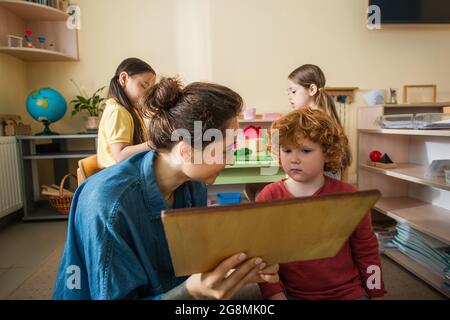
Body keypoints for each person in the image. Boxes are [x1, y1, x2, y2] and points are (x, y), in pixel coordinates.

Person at [53, 77, 279, 300]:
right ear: (186, 151)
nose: (229, 160)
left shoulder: (192, 182)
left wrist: (238, 269)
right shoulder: (109, 205)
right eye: (225, 151)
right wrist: (190, 292)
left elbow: (189, 258)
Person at [257, 108, 385, 300]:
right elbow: (262, 256)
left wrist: (375, 293)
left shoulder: (349, 197)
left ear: (327, 153)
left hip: (348, 292)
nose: (294, 158)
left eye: (305, 150)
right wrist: (275, 295)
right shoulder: (269, 196)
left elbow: (367, 250)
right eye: (287, 150)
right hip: (293, 295)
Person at [286, 64, 351, 175]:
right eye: (288, 92)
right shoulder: (321, 117)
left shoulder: (315, 122)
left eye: (293, 91)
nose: (289, 96)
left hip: (319, 184)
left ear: (312, 89)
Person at [97, 58, 156, 168]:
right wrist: (154, 144)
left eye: (150, 90)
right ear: (124, 79)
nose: (148, 94)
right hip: (116, 177)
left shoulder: (130, 110)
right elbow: (120, 155)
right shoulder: (117, 111)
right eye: (144, 85)